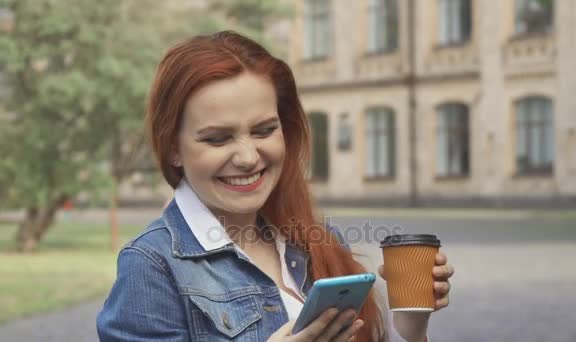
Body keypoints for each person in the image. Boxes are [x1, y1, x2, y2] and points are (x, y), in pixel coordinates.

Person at [96, 31, 454, 342]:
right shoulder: (151, 266)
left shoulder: (313, 239)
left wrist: (410, 323)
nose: (249, 157)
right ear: (173, 148)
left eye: (264, 130)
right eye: (218, 138)